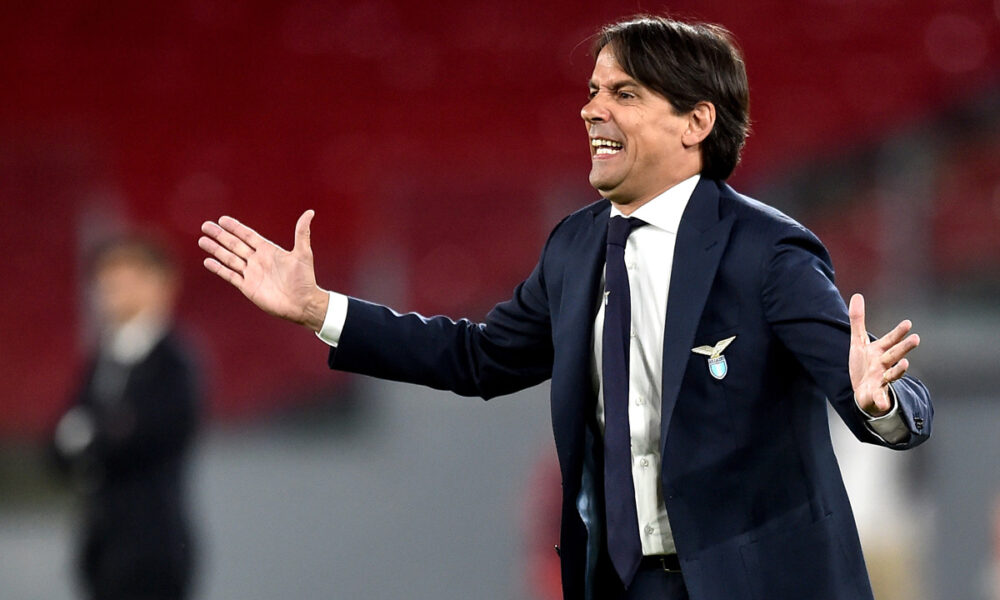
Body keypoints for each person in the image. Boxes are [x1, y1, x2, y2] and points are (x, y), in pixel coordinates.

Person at [198, 15, 931, 600]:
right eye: (592, 90)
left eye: (624, 94)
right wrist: (319, 309)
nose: (591, 109)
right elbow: (480, 359)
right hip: (627, 583)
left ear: (696, 122)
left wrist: (882, 402)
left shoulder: (767, 251)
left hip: (758, 583)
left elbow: (868, 390)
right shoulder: (575, 248)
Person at [53, 234, 200, 600]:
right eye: (106, 281)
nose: (111, 291)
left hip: (153, 547)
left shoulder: (172, 363)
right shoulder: (103, 358)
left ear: (160, 284)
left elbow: (143, 435)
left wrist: (91, 437)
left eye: (126, 279)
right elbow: (59, 440)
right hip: (101, 543)